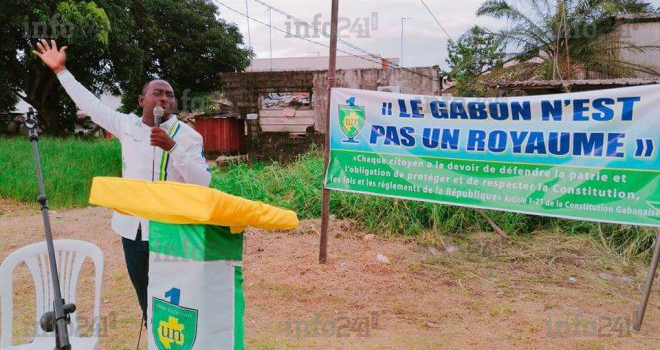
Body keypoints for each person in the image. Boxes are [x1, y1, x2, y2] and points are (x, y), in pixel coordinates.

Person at [33, 39, 212, 326]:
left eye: (169, 95)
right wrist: (61, 71)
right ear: (142, 100)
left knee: (176, 299)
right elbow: (89, 104)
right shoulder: (125, 126)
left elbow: (203, 183)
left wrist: (173, 149)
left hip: (173, 232)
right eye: (157, 93)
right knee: (146, 299)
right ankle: (150, 328)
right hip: (134, 232)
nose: (164, 99)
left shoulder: (188, 136)